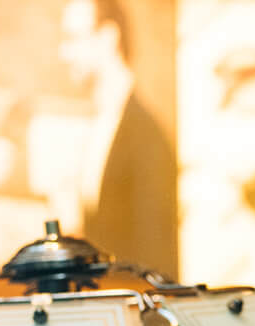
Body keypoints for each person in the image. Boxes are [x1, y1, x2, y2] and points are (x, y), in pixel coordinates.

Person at [58, 0, 173, 266]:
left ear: (108, 37)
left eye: (72, 38)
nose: (63, 53)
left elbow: (155, 261)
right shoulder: (100, 123)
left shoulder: (148, 138)